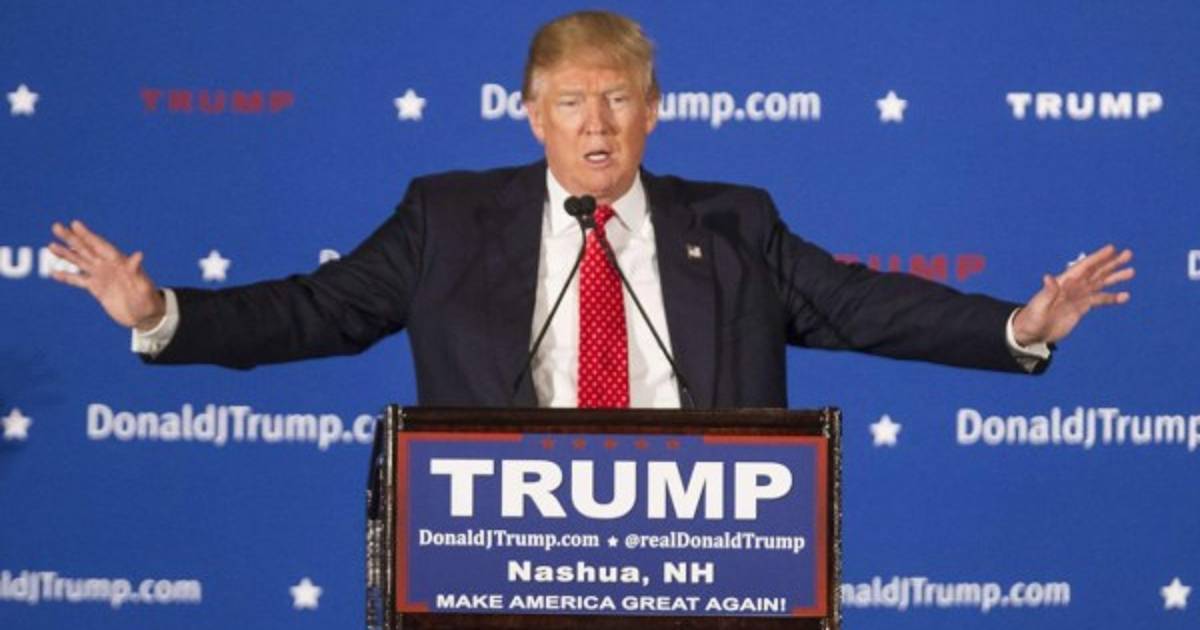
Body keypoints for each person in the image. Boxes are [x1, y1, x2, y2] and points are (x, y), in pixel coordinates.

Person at [47, 10, 1133, 409]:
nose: (596, 124)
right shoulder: (445, 219)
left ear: (654, 111)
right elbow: (315, 312)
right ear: (532, 115)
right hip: (504, 549)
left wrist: (1018, 325)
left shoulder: (734, 223)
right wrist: (164, 314)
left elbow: (863, 306)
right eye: (571, 102)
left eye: (617, 99)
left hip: (705, 552)